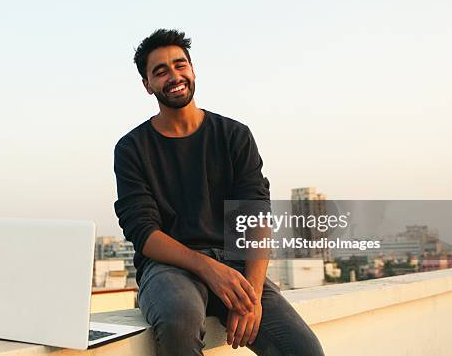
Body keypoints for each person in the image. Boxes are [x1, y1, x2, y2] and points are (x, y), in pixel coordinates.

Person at [113, 29, 325, 356]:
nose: (174, 75)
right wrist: (208, 268)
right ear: (147, 85)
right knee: (177, 324)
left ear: (193, 70)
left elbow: (256, 217)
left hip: (237, 268)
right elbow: (144, 233)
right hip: (170, 268)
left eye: (180, 65)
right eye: (161, 71)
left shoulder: (234, 135)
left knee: (304, 350)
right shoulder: (132, 148)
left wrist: (251, 295)